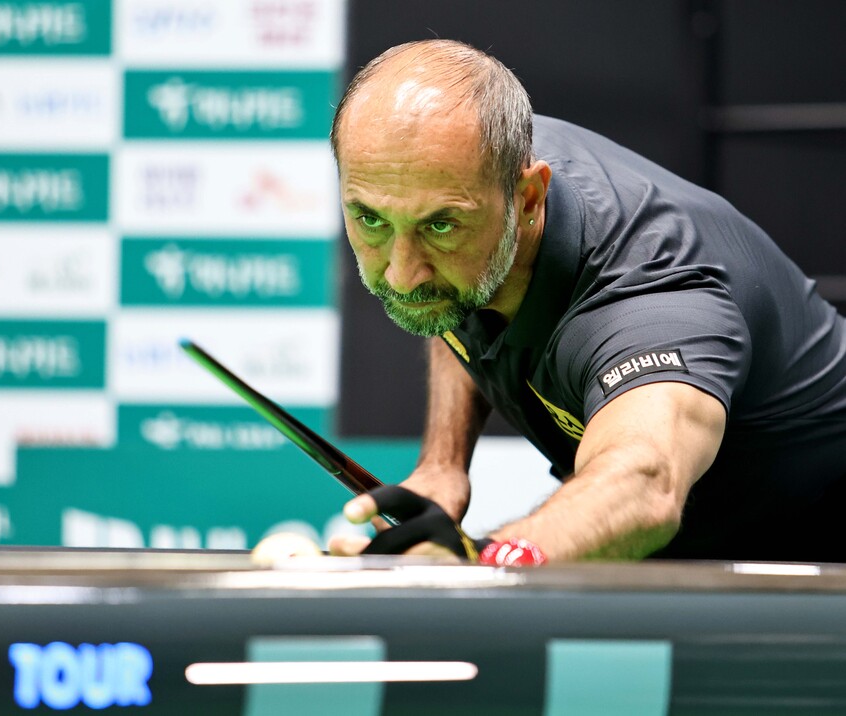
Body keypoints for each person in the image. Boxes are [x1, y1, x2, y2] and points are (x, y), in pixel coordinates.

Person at [325, 39, 846, 564]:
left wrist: (479, 563)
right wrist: (444, 465)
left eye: (440, 227)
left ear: (527, 198)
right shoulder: (461, 171)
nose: (402, 272)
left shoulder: (651, 297)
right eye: (370, 219)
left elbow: (643, 484)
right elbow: (446, 304)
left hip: (813, 564)